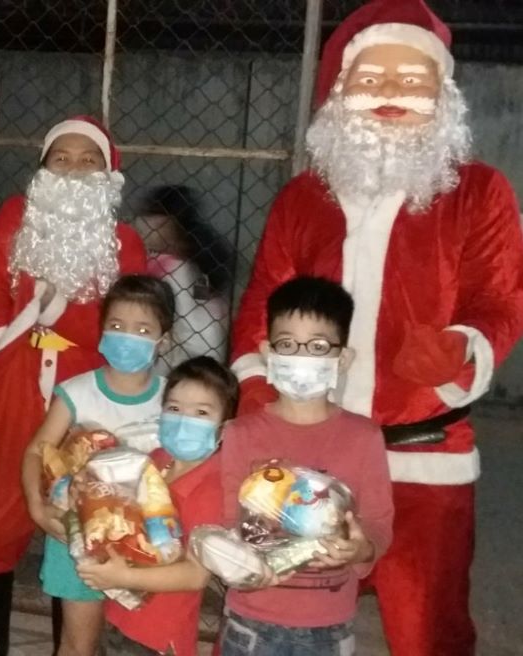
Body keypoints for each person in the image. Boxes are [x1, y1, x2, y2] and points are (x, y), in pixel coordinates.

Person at [229, 2, 523, 653]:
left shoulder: (480, 193)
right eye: (372, 76)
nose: (391, 91)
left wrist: (458, 351)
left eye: (411, 77)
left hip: (423, 458)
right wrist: (257, 393)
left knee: (427, 626)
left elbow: (500, 302)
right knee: (285, 610)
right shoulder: (305, 199)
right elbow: (261, 306)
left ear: (444, 97)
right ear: (338, 94)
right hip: (308, 450)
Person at [0, 116, 148, 655]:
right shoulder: (14, 218)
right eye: (61, 159)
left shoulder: (124, 243)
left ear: (108, 173)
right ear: (43, 169)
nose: (74, 170)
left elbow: (130, 320)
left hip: (85, 392)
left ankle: (72, 642)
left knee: (79, 519)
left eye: (88, 159)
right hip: (10, 381)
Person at [221, 276, 394, 654]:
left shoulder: (364, 438)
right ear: (267, 352)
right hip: (250, 622)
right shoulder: (239, 434)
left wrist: (361, 550)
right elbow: (225, 523)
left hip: (328, 630)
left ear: (342, 358)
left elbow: (379, 526)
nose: (301, 357)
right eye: (287, 345)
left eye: (318, 346)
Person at [20, 274, 172, 656]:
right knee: (77, 645)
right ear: (102, 330)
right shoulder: (76, 392)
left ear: (162, 341)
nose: (127, 336)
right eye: (117, 326)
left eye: (142, 329)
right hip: (77, 541)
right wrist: (38, 510)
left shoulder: (173, 400)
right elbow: (37, 451)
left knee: (140, 642)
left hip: (145, 543)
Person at [74, 355, 236, 656]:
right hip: (120, 614)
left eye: (201, 412)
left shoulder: (212, 488)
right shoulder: (157, 460)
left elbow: (195, 574)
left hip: (157, 636)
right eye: (174, 409)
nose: (184, 420)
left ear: (224, 429)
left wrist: (124, 578)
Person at [134, 186, 234, 369]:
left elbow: (195, 337)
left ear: (168, 222)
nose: (141, 222)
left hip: (193, 364)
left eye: (151, 215)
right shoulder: (187, 262)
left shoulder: (175, 269)